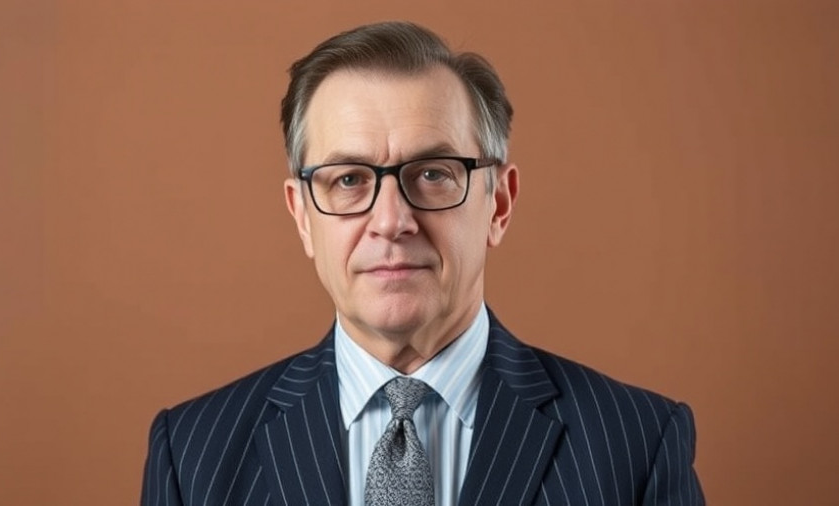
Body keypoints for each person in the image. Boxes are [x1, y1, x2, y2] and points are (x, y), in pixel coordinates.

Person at [140, 21, 704, 506]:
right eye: (348, 180)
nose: (392, 220)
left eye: (433, 174)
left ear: (498, 205)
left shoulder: (636, 445)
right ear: (302, 215)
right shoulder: (193, 456)